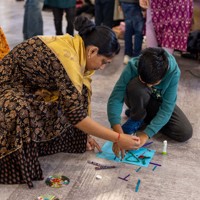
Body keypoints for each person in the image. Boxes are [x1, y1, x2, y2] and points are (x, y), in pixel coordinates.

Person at [0, 16, 140, 188]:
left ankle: (52, 143)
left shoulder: (77, 49)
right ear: (92, 51)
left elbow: (79, 100)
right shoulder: (68, 58)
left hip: (32, 88)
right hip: (6, 89)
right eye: (104, 62)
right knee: (19, 110)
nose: (102, 67)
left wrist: (86, 133)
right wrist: (118, 138)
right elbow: (77, 116)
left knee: (75, 95)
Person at [107, 47, 193, 157]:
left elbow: (167, 108)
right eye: (143, 81)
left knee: (184, 132)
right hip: (137, 97)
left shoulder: (173, 73)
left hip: (157, 102)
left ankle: (144, 116)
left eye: (152, 84)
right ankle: (137, 116)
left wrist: (146, 134)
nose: (148, 86)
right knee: (138, 88)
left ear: (161, 78)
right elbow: (116, 97)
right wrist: (118, 134)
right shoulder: (134, 65)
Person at [119, 0, 145, 64]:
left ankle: (128, 54)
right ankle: (136, 56)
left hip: (125, 3)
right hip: (135, 3)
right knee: (138, 31)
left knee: (128, 29)